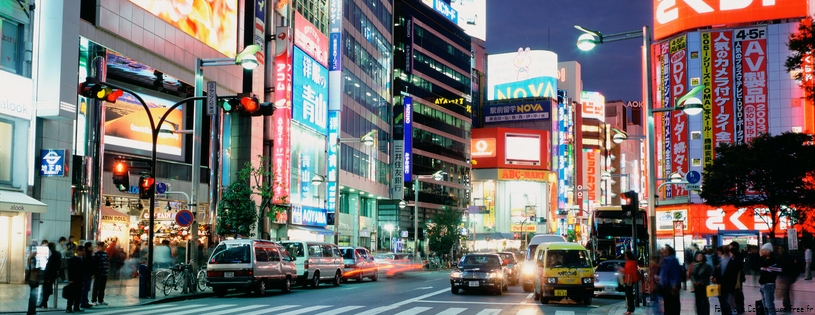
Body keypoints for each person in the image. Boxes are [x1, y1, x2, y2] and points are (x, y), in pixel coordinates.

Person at [713, 247, 739, 315]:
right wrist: (714, 276)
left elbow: (734, 273)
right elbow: (716, 270)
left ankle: (729, 312)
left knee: (726, 299)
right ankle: (725, 312)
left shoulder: (732, 260)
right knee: (722, 299)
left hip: (728, 283)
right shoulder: (719, 260)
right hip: (720, 282)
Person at [659, 245, 682, 315]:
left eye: (665, 250)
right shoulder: (665, 261)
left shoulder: (672, 260)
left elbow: (675, 273)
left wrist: (674, 285)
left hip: (670, 287)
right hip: (667, 287)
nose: (663, 251)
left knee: (671, 306)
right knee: (668, 306)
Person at [758, 243, 781, 315]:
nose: (762, 252)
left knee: (769, 304)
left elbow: (764, 266)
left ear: (769, 251)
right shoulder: (765, 260)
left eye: (764, 250)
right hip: (764, 284)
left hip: (769, 284)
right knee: (765, 303)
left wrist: (761, 257)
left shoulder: (772, 260)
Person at [38, 242, 61, 309]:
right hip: (52, 274)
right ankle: (44, 302)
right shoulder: (57, 254)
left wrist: (47, 276)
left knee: (46, 289)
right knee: (47, 289)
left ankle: (44, 302)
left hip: (50, 275)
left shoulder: (54, 255)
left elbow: (50, 266)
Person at [776, 245, 799, 312]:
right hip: (785, 276)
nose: (779, 250)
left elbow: (786, 267)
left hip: (786, 276)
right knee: (785, 292)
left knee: (785, 293)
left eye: (781, 248)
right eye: (779, 248)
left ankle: (787, 307)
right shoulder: (783, 257)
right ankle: (787, 306)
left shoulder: (785, 257)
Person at [619, 251, 640, 315]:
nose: (625, 257)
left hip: (629, 280)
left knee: (629, 295)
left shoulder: (630, 263)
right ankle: (631, 308)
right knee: (630, 295)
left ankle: (630, 309)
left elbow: (628, 271)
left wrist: (621, 270)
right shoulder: (632, 262)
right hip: (631, 280)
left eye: (626, 256)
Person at [65, 247, 85, 313]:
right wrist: (70, 279)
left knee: (78, 294)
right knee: (72, 294)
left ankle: (76, 306)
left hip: (80, 279)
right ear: (78, 251)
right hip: (74, 279)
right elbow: (70, 270)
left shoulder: (82, 259)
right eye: (82, 251)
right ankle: (69, 307)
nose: (83, 252)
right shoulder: (73, 259)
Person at [729, 241, 746, 314]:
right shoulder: (738, 257)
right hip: (736, 278)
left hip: (737, 278)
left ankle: (739, 307)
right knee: (738, 293)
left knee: (737, 293)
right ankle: (739, 307)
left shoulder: (737, 258)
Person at [91, 242, 109, 306]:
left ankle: (101, 300)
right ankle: (94, 300)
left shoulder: (105, 254)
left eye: (104, 246)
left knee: (102, 287)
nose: (103, 247)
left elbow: (107, 262)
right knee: (96, 287)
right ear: (98, 247)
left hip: (104, 273)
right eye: (102, 246)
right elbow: (94, 264)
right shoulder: (96, 254)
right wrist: (94, 273)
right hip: (98, 273)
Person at [79, 242, 96, 309]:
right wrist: (91, 274)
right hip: (87, 274)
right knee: (85, 288)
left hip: (87, 274)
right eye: (92, 246)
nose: (93, 248)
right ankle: (83, 302)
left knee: (86, 288)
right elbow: (88, 266)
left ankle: (84, 301)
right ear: (88, 247)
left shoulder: (88, 255)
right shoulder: (88, 255)